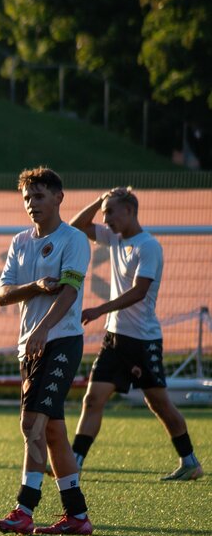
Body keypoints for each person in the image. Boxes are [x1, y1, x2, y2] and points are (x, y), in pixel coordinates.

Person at [68, 187, 203, 481]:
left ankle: (190, 462)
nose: (106, 219)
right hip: (114, 338)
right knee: (92, 399)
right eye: (104, 213)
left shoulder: (148, 246)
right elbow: (76, 227)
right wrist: (100, 200)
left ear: (129, 211)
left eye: (110, 212)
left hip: (142, 341)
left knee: (159, 403)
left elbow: (139, 292)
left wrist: (100, 309)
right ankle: (73, 464)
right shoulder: (114, 237)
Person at [0, 167, 93, 536]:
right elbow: (3, 295)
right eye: (26, 198)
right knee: (52, 431)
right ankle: (77, 516)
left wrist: (44, 328)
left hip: (61, 340)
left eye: (38, 196)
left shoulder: (74, 239)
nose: (31, 204)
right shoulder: (20, 241)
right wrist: (34, 286)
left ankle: (24, 509)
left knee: (31, 423)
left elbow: (70, 291)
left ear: (58, 198)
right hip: (30, 345)